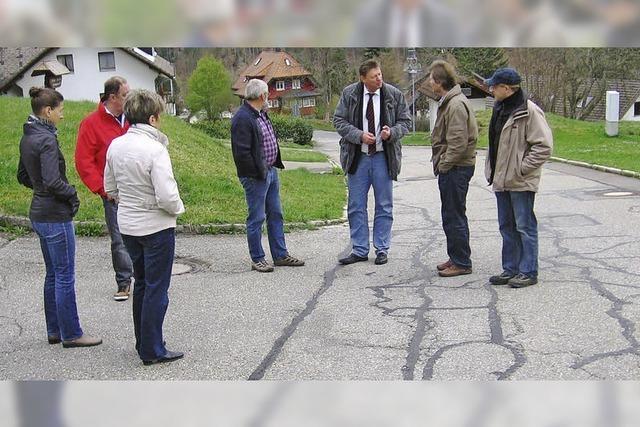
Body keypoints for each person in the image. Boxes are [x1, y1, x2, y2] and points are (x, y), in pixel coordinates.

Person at [104, 89, 185, 365]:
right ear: (152, 118)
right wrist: (178, 210)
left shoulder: (116, 145)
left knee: (141, 283)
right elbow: (167, 195)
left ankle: (144, 341)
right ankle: (152, 348)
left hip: (128, 225)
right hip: (156, 226)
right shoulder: (155, 149)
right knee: (157, 288)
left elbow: (110, 187)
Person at [17, 87, 102, 348]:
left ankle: (54, 330)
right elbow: (54, 181)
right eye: (60, 111)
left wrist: (41, 190)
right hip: (54, 215)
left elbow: (22, 176)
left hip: (39, 213)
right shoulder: (46, 140)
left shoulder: (28, 136)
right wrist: (72, 194)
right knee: (64, 275)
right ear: (48, 111)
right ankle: (72, 333)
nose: (62, 116)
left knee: (53, 274)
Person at [333, 59, 411, 266]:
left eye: (380, 75)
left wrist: (391, 132)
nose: (379, 79)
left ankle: (382, 248)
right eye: (374, 77)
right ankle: (359, 249)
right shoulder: (349, 94)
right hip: (357, 157)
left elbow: (406, 122)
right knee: (356, 205)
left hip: (382, 158)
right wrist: (358, 135)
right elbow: (339, 121)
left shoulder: (393, 95)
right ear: (362, 79)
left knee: (384, 205)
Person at [484, 68, 553, 288]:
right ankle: (510, 269)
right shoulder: (499, 108)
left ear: (506, 88)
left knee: (524, 226)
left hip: (520, 181)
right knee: (506, 226)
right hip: (501, 179)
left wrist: (521, 168)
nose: (491, 89)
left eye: (494, 86)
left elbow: (543, 147)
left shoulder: (529, 111)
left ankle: (528, 271)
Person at [230, 78, 305, 273]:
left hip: (270, 171)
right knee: (256, 217)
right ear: (262, 96)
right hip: (256, 176)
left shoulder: (261, 113)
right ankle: (258, 258)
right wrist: (258, 173)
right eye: (267, 95)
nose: (269, 99)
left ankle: (280, 255)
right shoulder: (242, 118)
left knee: (276, 214)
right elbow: (241, 154)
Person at [75, 76, 133, 301]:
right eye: (125, 95)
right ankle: (124, 282)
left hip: (136, 188)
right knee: (119, 238)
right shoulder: (91, 123)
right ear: (112, 97)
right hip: (113, 192)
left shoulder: (132, 118)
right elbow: (84, 161)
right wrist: (102, 188)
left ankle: (146, 277)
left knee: (143, 235)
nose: (129, 99)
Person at [428, 60, 478, 277]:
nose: (429, 82)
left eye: (431, 78)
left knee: (454, 215)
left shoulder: (456, 105)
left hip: (456, 168)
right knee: (451, 214)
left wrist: (444, 165)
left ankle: (462, 262)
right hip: (453, 167)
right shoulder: (449, 101)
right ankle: (456, 256)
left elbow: (458, 143)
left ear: (439, 82)